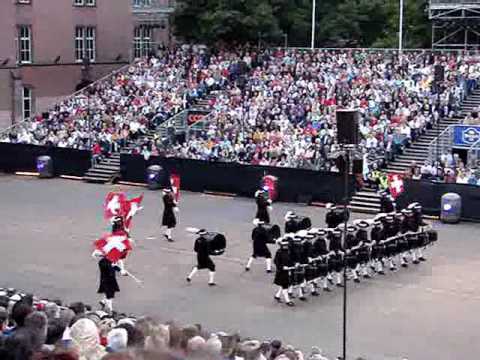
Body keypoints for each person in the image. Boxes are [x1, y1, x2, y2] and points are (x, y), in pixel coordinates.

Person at [273, 240, 295, 306]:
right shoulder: (279, 252)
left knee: (285, 284)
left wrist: (293, 265)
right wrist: (282, 267)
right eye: (284, 245)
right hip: (281, 272)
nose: (286, 246)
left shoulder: (289, 251)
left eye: (286, 245)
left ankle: (277, 296)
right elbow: (276, 261)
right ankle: (287, 300)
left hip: (288, 270)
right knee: (285, 286)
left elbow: (290, 260)